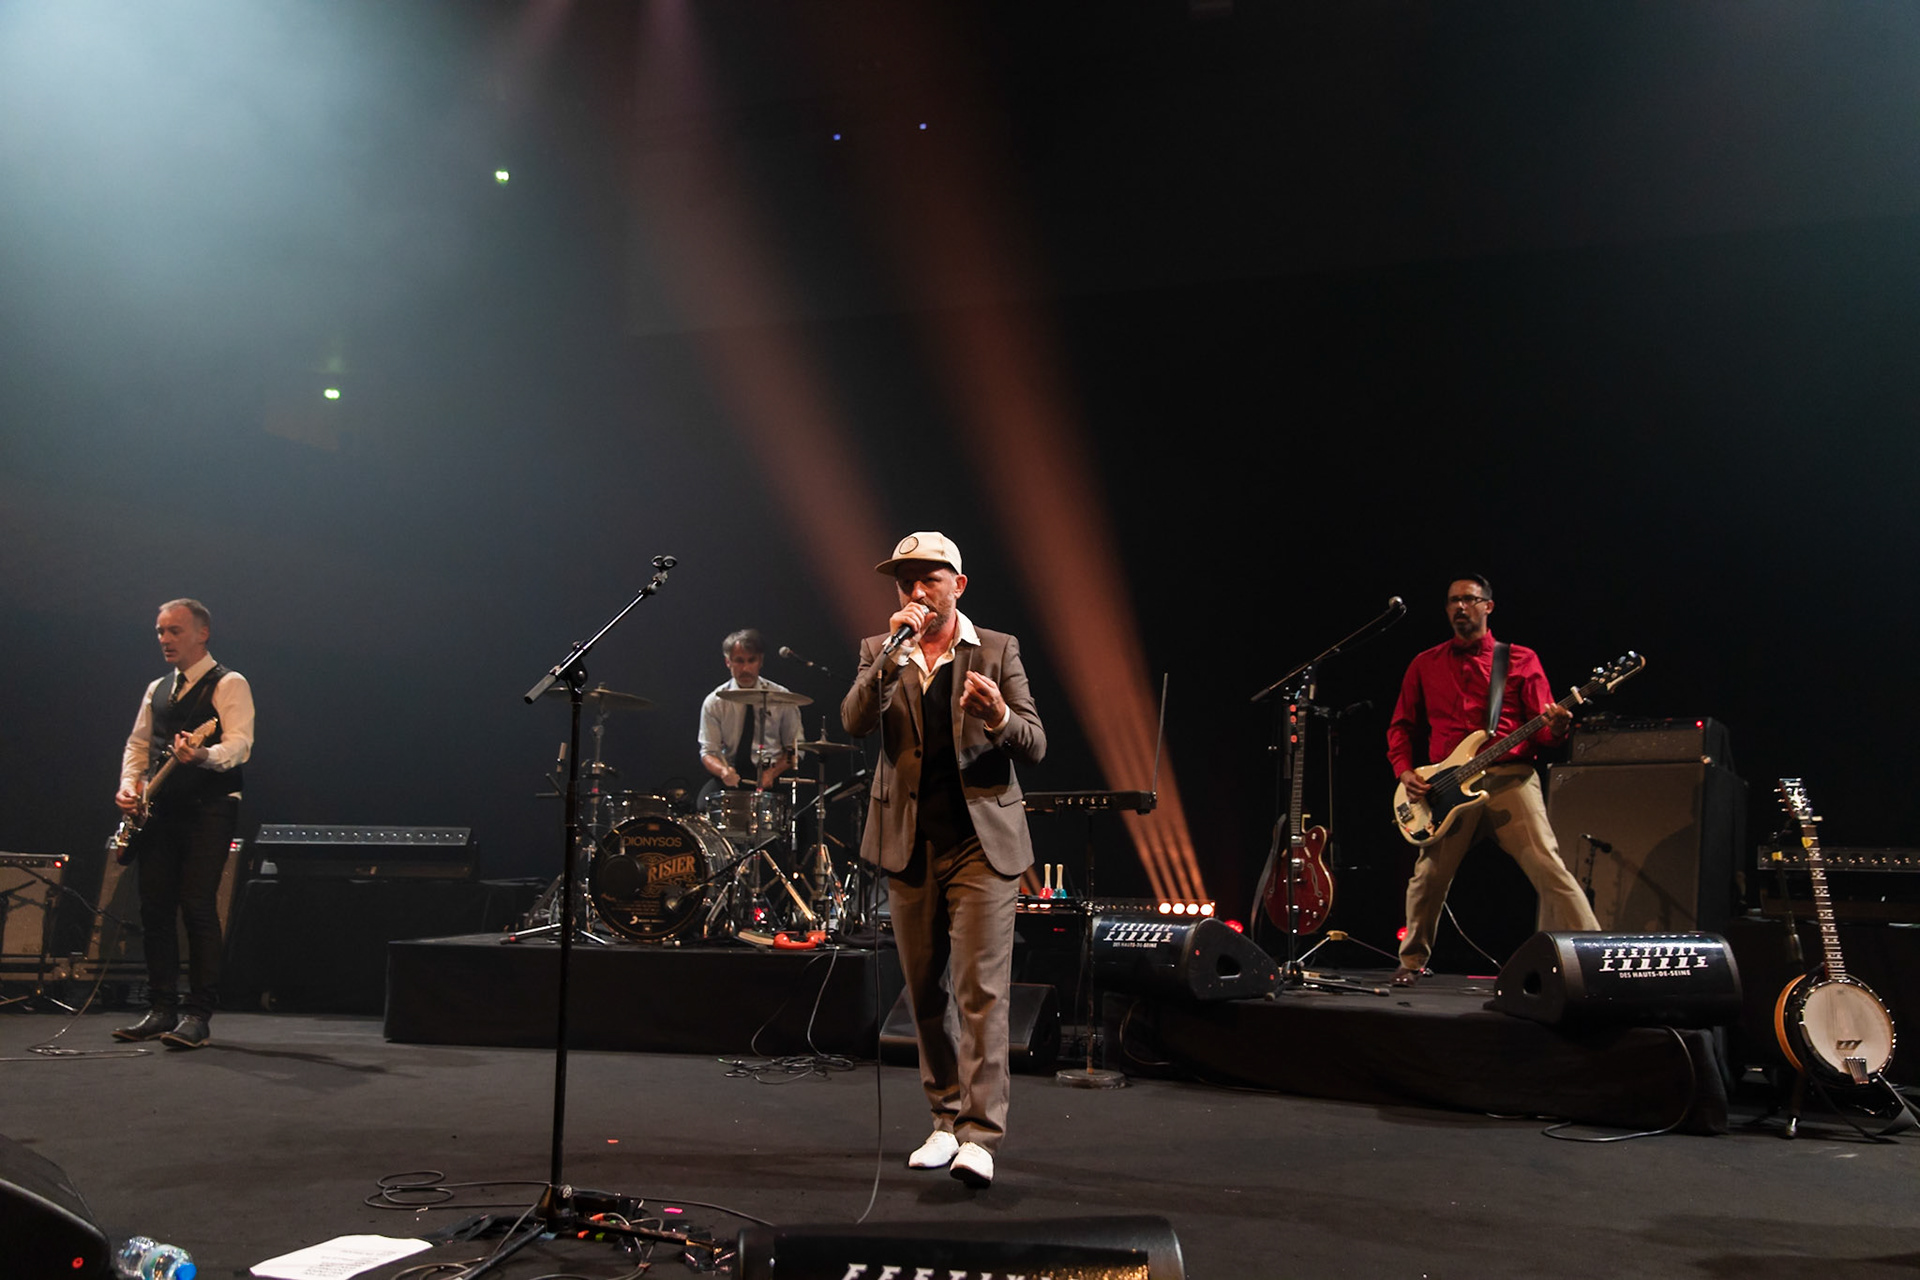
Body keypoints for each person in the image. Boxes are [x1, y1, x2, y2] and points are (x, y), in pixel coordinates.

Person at [840, 532, 1045, 1189]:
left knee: (980, 990)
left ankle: (980, 1136)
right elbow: (853, 721)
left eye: (929, 578)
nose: (916, 591)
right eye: (905, 582)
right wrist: (887, 658)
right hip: (908, 843)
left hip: (981, 845)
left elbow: (1035, 743)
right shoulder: (882, 650)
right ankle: (945, 1119)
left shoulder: (997, 649)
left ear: (959, 584)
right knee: (924, 991)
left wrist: (1000, 715)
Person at [1386, 575, 1599, 987]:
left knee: (1549, 867)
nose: (1460, 607)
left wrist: (1557, 727)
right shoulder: (1424, 663)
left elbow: (1543, 731)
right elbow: (1401, 726)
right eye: (1453, 601)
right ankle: (1411, 962)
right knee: (1428, 878)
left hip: (1510, 779)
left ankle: (1595, 956)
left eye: (1469, 599)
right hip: (1446, 789)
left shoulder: (1519, 659)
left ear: (1488, 606)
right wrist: (1405, 772)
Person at [112, 598, 255, 1048]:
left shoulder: (229, 683)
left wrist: (203, 754)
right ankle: (161, 1008)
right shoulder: (157, 689)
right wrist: (130, 787)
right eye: (160, 631)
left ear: (202, 633)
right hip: (160, 809)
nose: (165, 639)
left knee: (196, 905)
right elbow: (139, 745)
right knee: (154, 908)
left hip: (209, 807)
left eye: (174, 630)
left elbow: (240, 744)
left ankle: (198, 1014)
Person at [697, 628, 801, 802]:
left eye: (751, 660)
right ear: (728, 662)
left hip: (770, 773)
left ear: (761, 661)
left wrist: (772, 773)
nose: (745, 668)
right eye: (739, 661)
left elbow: (795, 748)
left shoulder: (782, 697)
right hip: (731, 773)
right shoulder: (715, 702)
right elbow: (708, 751)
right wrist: (723, 771)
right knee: (702, 805)